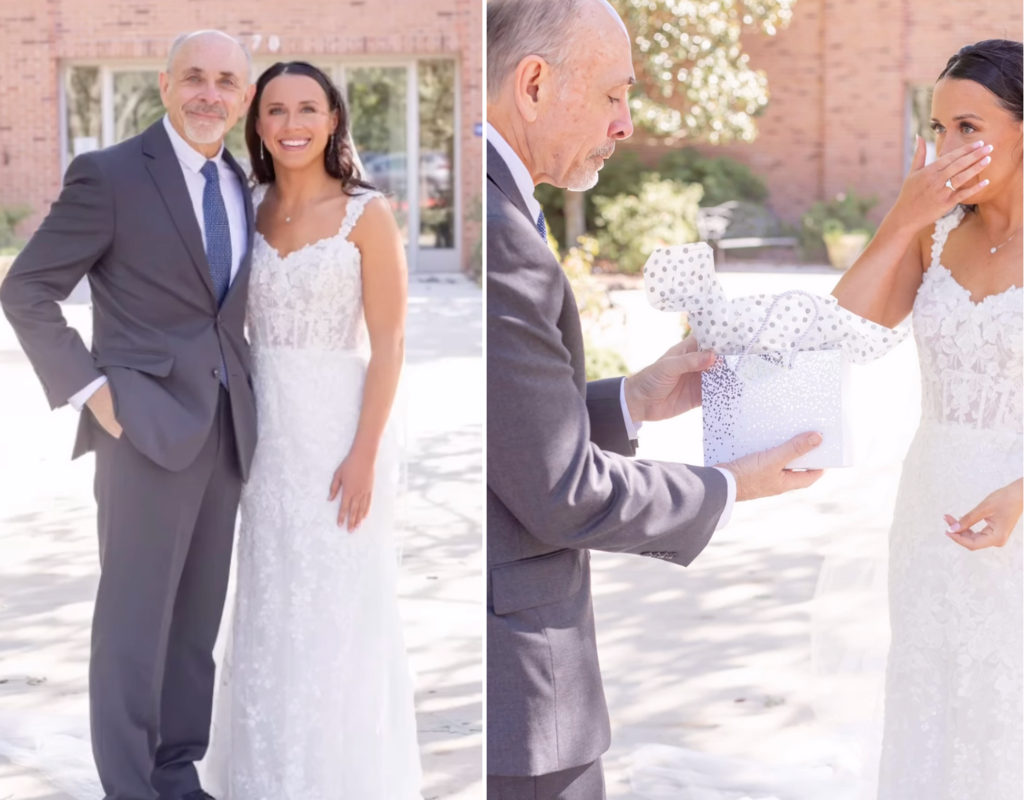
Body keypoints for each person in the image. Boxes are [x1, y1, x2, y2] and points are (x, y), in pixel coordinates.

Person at [485, 1, 824, 797]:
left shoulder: (500, 202)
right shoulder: (503, 234)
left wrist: (632, 400)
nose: (627, 123)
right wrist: (734, 484)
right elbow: (561, 492)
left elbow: (512, 430)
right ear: (533, 83)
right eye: (613, 95)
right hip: (523, 682)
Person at [0, 30, 257, 800]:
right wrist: (94, 394)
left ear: (242, 97)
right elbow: (27, 289)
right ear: (165, 83)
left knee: (193, 629)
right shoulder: (110, 175)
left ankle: (176, 775)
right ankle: (129, 788)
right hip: (140, 427)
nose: (210, 94)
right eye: (196, 78)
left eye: (225, 82)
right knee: (134, 626)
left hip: (226, 429)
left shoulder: (242, 183)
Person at [201, 61, 422, 799]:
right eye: (275, 111)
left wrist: (363, 455)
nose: (291, 123)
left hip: (339, 431)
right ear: (257, 125)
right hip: (262, 432)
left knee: (337, 607)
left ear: (332, 120)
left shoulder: (367, 214)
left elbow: (389, 343)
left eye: (307, 108)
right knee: (268, 599)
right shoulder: (244, 207)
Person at [831, 38, 1022, 799]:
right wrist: (904, 219)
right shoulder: (939, 233)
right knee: (931, 697)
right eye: (938, 129)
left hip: (1019, 511)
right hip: (931, 514)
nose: (947, 149)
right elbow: (844, 333)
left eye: (968, 128)